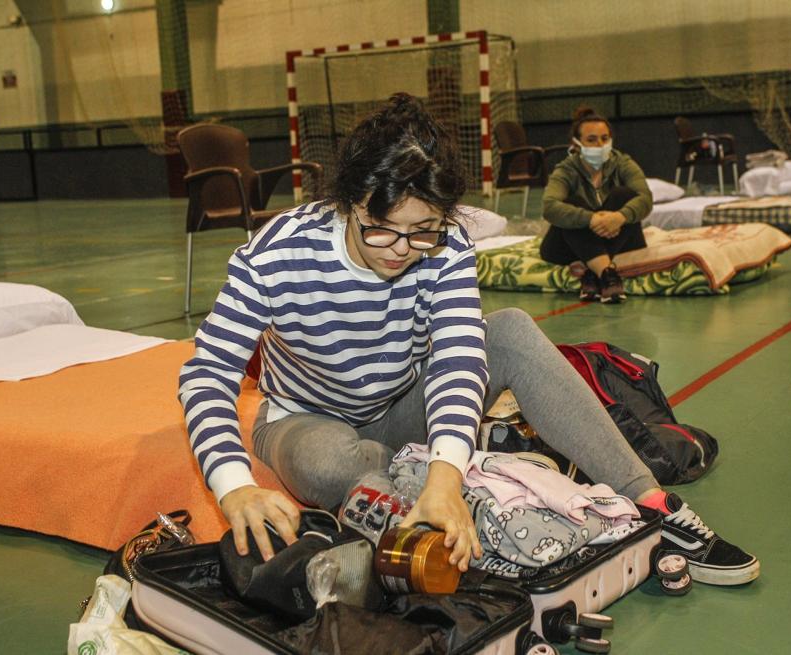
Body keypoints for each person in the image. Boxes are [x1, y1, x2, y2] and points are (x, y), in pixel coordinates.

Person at [179, 93, 759, 586]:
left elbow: (458, 359)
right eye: (380, 229)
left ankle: (649, 502)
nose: (402, 250)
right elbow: (207, 375)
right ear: (348, 201)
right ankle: (465, 469)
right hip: (305, 417)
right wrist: (233, 487)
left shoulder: (449, 244)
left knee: (506, 330)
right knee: (327, 464)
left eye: (422, 233)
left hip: (402, 407)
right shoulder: (278, 251)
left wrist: (445, 474)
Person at [541, 107, 653, 304]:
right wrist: (591, 219)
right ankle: (606, 273)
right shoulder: (566, 170)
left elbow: (645, 198)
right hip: (572, 243)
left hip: (619, 236)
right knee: (571, 205)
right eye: (591, 140)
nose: (600, 144)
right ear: (576, 144)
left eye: (604, 138)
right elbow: (549, 206)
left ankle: (591, 272)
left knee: (624, 195)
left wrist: (619, 217)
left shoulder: (623, 163)